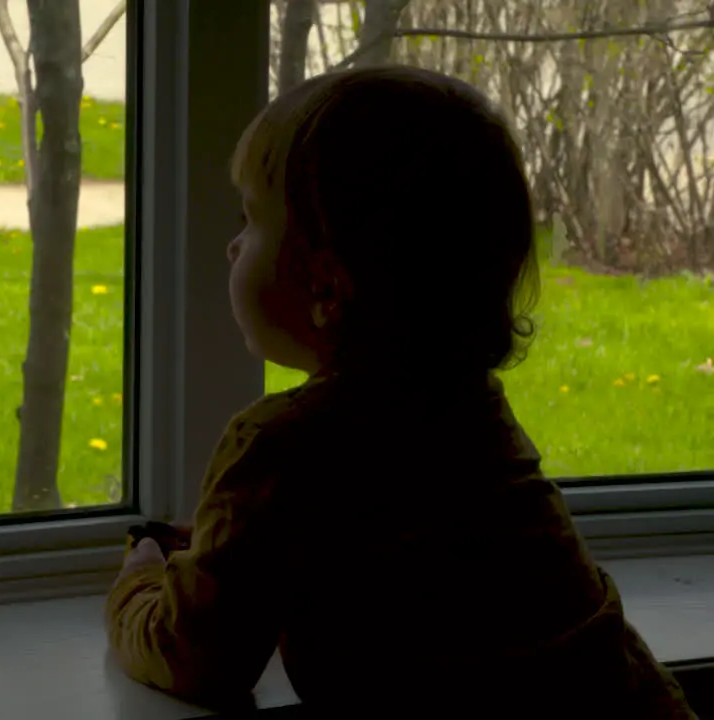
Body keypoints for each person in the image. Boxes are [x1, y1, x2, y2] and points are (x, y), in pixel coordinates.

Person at [104, 65, 696, 718]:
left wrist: (141, 582)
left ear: (325, 285)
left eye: (250, 219)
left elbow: (196, 655)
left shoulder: (282, 448)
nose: (231, 246)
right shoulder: (473, 419)